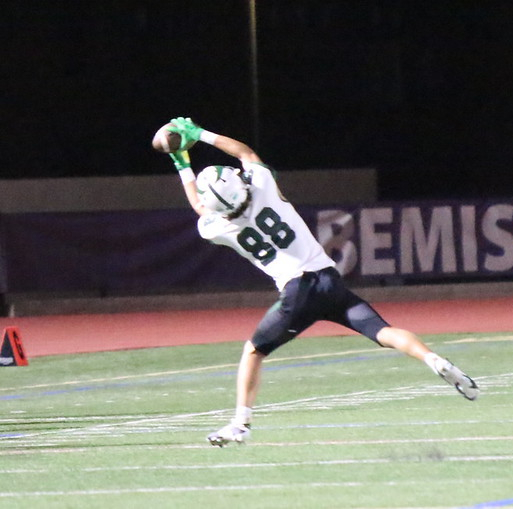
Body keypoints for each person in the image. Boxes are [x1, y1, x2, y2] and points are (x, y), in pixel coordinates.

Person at [163, 117, 479, 447]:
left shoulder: (218, 228)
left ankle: (240, 425)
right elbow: (244, 153)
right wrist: (199, 134)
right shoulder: (263, 187)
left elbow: (201, 207)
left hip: (296, 291)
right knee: (382, 331)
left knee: (253, 351)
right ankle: (434, 360)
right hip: (329, 280)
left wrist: (180, 163)